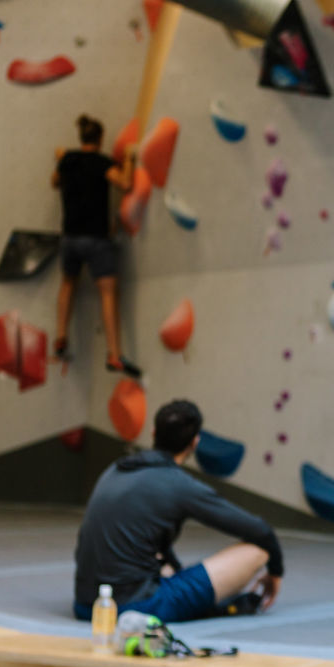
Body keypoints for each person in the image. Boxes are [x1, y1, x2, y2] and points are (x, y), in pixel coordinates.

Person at [73, 400, 284, 623]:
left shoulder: (116, 468)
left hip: (88, 605)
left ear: (153, 433)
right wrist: (275, 572)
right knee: (258, 550)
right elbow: (260, 531)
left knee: (151, 552)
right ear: (195, 442)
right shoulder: (178, 485)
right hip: (136, 606)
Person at [52, 114, 141, 378]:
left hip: (69, 238)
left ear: (81, 137)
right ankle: (114, 355)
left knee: (68, 283)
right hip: (96, 239)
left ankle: (60, 336)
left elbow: (54, 182)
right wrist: (130, 159)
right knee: (107, 294)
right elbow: (125, 184)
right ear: (100, 139)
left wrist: (60, 159)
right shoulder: (102, 163)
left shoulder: (68, 160)